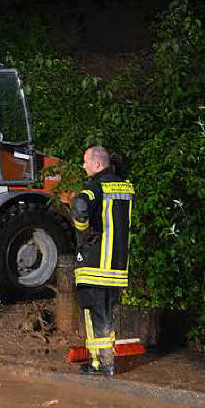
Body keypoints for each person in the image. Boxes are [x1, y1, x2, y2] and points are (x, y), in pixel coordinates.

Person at [72, 146, 134, 377]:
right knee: (106, 314)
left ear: (98, 164)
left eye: (85, 161)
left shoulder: (95, 186)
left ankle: (99, 364)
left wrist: (83, 231)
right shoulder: (125, 185)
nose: (83, 166)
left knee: (93, 315)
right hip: (117, 265)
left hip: (95, 262)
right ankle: (108, 362)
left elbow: (80, 207)